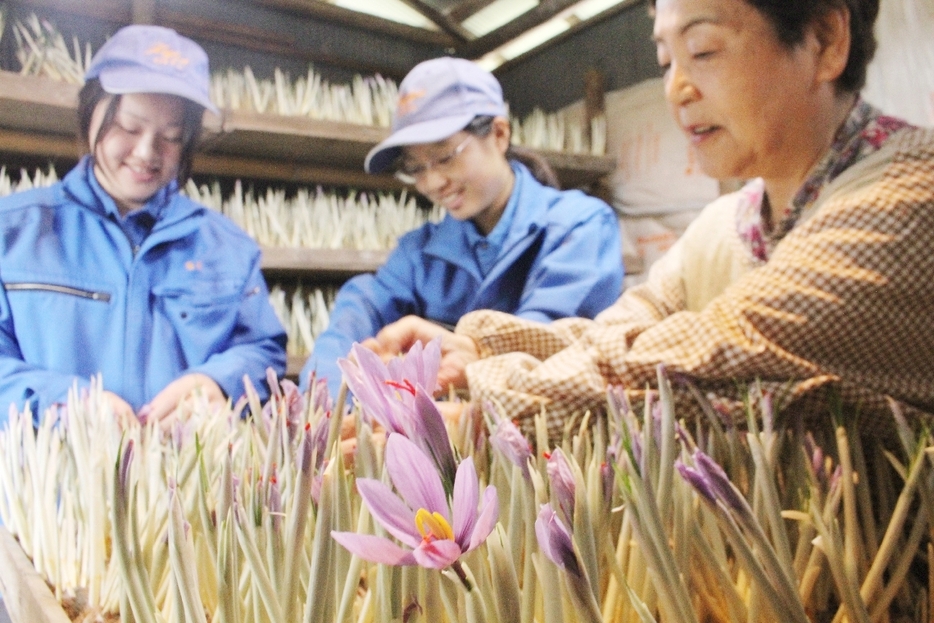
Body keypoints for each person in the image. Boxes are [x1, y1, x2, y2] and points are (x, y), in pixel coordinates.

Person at [365, 0, 934, 439]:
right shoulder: (726, 224)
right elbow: (621, 330)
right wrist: (476, 352)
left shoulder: (907, 199)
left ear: (825, 40)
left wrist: (476, 412)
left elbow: (693, 363)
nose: (677, 89)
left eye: (704, 51)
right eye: (666, 61)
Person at [0, 25, 287, 425]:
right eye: (129, 127)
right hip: (47, 484)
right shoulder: (12, 232)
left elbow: (261, 348)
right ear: (89, 112)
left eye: (171, 136)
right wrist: (62, 402)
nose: (146, 153)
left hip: (181, 480)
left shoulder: (227, 247)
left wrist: (217, 382)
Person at [301, 57, 624, 398]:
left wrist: (471, 350)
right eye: (415, 168)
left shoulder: (579, 226)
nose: (432, 182)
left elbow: (546, 338)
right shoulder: (419, 252)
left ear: (499, 134)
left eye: (444, 157)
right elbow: (360, 311)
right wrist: (330, 406)